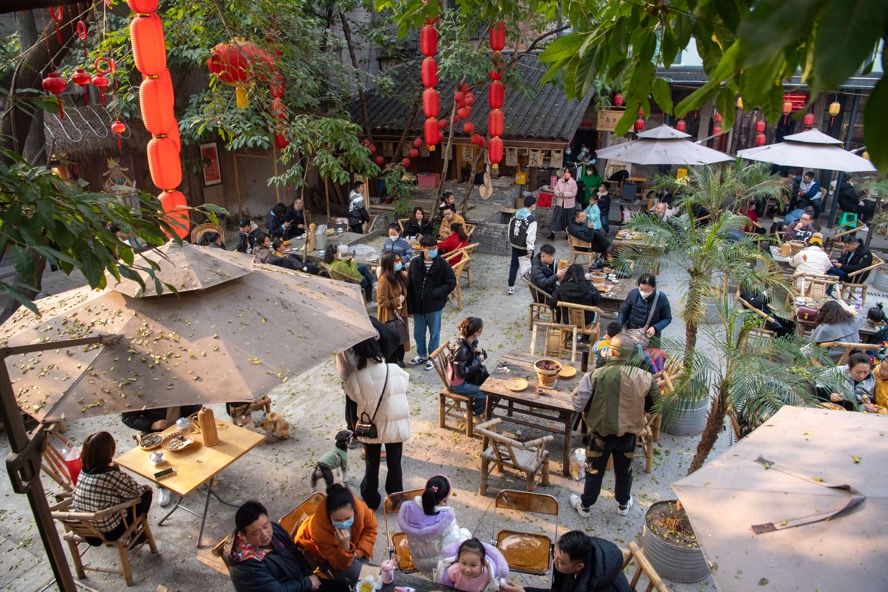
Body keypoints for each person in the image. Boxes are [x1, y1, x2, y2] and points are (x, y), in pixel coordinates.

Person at [570, 336, 658, 518]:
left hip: (600, 437)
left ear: (611, 351)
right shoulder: (646, 377)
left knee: (593, 471)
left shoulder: (595, 375)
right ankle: (623, 504)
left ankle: (585, 506)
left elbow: (578, 406)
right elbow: (655, 407)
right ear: (631, 354)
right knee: (624, 471)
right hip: (628, 437)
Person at [344, 338, 410, 509]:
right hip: (396, 425)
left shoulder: (354, 378)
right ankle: (396, 497)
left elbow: (351, 398)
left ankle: (371, 498)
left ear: (358, 355)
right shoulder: (395, 369)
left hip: (370, 428)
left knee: (371, 464)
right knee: (394, 464)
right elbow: (405, 386)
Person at [229, 500, 349, 592]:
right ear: (243, 536)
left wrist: (309, 575)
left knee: (341, 588)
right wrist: (307, 583)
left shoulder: (274, 529)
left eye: (265, 526)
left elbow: (294, 551)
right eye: (256, 533)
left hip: (299, 581)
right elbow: (276, 590)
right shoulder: (245, 568)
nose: (265, 534)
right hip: (293, 586)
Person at [72, 432, 153, 542]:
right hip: (110, 532)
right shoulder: (110, 475)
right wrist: (146, 488)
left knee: (117, 493)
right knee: (146, 494)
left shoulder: (84, 470)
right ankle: (133, 535)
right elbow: (136, 492)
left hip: (88, 528)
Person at [295, 484, 378, 582]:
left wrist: (358, 552)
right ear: (328, 517)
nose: (343, 524)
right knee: (365, 574)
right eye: (337, 520)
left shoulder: (360, 508)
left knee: (368, 571)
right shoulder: (319, 531)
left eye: (347, 518)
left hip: (352, 548)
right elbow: (339, 564)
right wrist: (345, 547)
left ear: (354, 510)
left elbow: (370, 528)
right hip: (323, 557)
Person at [499, 531, 630, 592]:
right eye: (554, 554)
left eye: (560, 561)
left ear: (579, 566)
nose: (554, 562)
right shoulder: (580, 554)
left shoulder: (593, 585)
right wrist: (524, 591)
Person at [397, 475, 472, 576]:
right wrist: (466, 533)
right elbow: (453, 548)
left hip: (416, 560)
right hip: (438, 568)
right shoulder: (446, 520)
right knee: (467, 536)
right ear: (444, 500)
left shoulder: (409, 508)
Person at [407, 234, 457, 370]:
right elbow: (409, 285)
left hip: (434, 306)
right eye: (430, 249)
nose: (433, 251)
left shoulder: (442, 264)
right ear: (422, 248)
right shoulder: (415, 263)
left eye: (435, 248)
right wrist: (409, 307)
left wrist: (437, 293)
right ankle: (422, 354)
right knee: (418, 333)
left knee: (434, 333)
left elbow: (451, 282)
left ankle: (433, 357)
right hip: (418, 306)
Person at [435, 538, 510, 592]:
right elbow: (446, 585)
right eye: (463, 563)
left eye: (473, 565)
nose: (467, 569)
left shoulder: (488, 575)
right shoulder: (453, 571)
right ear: (458, 560)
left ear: (483, 564)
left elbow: (490, 586)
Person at [448, 317, 490, 415]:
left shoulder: (470, 341)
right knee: (485, 392)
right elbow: (460, 374)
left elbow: (484, 355)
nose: (481, 332)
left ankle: (479, 407)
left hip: (467, 378)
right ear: (476, 333)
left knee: (489, 383)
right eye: (480, 330)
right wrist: (478, 360)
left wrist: (481, 352)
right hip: (458, 385)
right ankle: (474, 413)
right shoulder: (462, 349)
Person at [377, 252, 410, 366]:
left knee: (401, 339)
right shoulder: (384, 280)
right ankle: (392, 363)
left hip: (401, 313)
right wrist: (397, 301)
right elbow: (381, 301)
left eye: (399, 260)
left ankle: (400, 360)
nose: (399, 262)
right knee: (392, 341)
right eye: (396, 261)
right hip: (390, 316)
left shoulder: (399, 276)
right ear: (389, 263)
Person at [617, 274, 672, 341]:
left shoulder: (662, 298)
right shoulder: (633, 294)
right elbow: (623, 312)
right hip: (631, 332)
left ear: (653, 288)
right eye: (641, 289)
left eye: (647, 290)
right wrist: (619, 325)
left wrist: (655, 328)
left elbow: (667, 318)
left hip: (650, 336)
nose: (643, 292)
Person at [507, 194, 538, 295]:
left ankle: (510, 287)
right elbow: (530, 236)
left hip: (515, 244)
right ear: (532, 205)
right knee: (527, 264)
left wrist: (510, 240)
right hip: (524, 246)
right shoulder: (532, 219)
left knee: (514, 265)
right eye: (535, 204)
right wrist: (530, 249)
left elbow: (509, 228)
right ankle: (530, 283)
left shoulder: (515, 214)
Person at [548, 168, 578, 240]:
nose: (566, 174)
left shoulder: (573, 182)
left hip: (569, 205)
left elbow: (574, 193)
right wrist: (559, 193)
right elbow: (555, 190)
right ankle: (552, 233)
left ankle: (567, 234)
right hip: (560, 204)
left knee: (568, 220)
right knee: (556, 219)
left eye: (568, 172)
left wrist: (564, 194)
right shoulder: (560, 180)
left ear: (571, 174)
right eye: (565, 172)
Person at [582, 193, 610, 258]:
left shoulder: (596, 208)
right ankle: (593, 249)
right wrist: (583, 213)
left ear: (596, 201)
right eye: (590, 200)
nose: (590, 201)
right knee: (592, 237)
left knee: (595, 238)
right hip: (591, 224)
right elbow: (586, 210)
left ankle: (594, 249)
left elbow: (594, 217)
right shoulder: (590, 206)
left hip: (595, 225)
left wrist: (587, 215)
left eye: (592, 200)